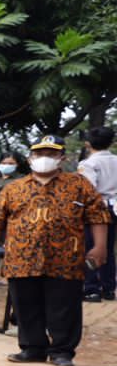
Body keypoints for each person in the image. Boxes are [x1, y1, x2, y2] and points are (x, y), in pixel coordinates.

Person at [0, 136, 111, 366]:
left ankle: (62, 351)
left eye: (51, 154)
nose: (45, 158)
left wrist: (100, 246)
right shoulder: (14, 188)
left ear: (62, 157)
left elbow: (98, 216)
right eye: (40, 153)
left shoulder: (79, 185)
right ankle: (32, 348)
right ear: (31, 157)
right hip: (21, 257)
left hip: (65, 258)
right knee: (25, 304)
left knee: (64, 305)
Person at [79, 126, 117, 302]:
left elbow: (89, 189)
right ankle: (108, 288)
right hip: (114, 207)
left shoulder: (88, 164)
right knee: (108, 249)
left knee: (91, 247)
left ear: (87, 143)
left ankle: (91, 287)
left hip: (96, 208)